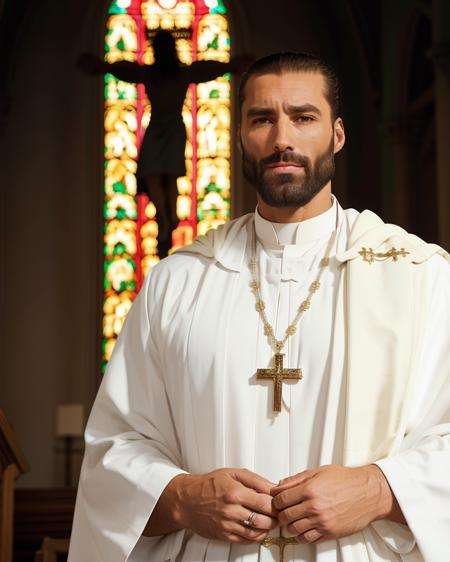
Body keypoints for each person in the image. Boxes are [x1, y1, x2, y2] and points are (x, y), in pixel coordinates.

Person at [68, 51, 450, 562]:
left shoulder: (418, 276)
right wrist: (181, 499)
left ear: (337, 135)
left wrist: (381, 488)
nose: (282, 139)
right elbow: (115, 450)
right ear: (239, 135)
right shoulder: (176, 283)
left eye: (303, 117)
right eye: (262, 119)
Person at [78, 30, 253, 258]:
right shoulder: (154, 73)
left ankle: (168, 218)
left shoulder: (179, 73)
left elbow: (204, 70)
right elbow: (127, 70)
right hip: (159, 127)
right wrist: (104, 67)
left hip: (171, 128)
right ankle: (164, 216)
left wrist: (229, 66)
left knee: (169, 175)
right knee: (151, 173)